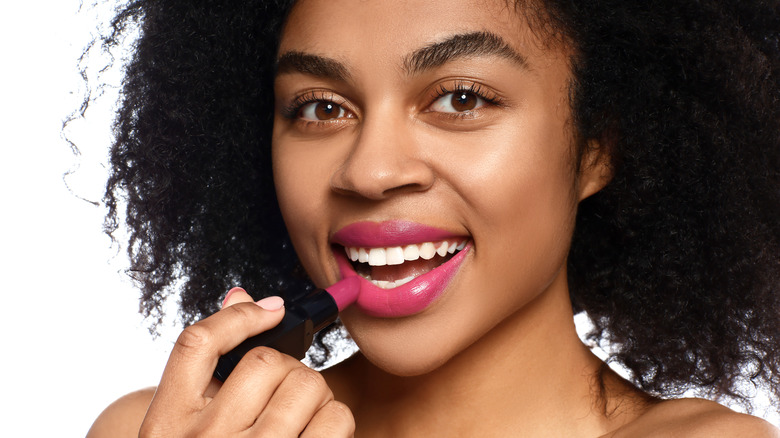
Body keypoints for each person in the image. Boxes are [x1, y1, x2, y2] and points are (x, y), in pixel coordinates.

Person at [87, 0, 780, 436]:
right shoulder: (157, 430)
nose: (371, 171)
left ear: (596, 147)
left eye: (461, 99)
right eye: (321, 107)